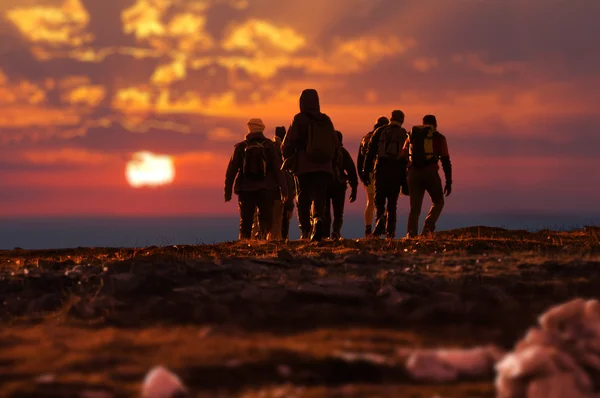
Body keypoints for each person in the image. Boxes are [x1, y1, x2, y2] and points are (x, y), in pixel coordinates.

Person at [282, 89, 340, 242]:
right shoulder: (326, 119)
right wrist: (333, 166)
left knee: (303, 197)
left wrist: (287, 156)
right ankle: (318, 219)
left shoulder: (299, 119)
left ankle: (306, 230)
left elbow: (289, 142)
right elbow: (335, 144)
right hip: (324, 166)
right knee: (320, 195)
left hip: (304, 165)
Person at [224, 118, 288, 240]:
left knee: (246, 221)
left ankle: (244, 243)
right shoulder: (269, 145)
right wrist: (284, 190)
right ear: (262, 129)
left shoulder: (240, 147)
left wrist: (227, 192)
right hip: (265, 188)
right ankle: (262, 240)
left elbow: (231, 171)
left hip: (245, 189)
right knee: (265, 218)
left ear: (249, 129)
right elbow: (278, 169)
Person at [401, 114, 452, 237]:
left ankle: (411, 235)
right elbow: (445, 160)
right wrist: (448, 181)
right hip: (430, 173)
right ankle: (426, 231)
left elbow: (403, 155)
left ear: (422, 123)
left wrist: (404, 178)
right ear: (436, 124)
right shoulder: (439, 137)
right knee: (438, 202)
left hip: (413, 173)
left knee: (414, 208)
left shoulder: (411, 135)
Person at [362, 110, 408, 239]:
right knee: (392, 203)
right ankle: (390, 234)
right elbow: (406, 158)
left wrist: (366, 172)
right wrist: (405, 180)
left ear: (391, 118)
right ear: (402, 120)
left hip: (381, 168)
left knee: (379, 199)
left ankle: (380, 219)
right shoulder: (404, 134)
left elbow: (370, 153)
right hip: (397, 170)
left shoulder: (380, 131)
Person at [357, 116, 389, 237]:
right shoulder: (387, 137)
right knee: (384, 201)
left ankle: (368, 229)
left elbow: (360, 160)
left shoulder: (366, 138)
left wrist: (362, 175)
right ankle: (382, 226)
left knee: (370, 201)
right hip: (384, 172)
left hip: (369, 173)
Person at [324, 130, 358, 240]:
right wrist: (354, 189)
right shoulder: (343, 152)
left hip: (325, 186)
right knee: (338, 213)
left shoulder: (324, 152)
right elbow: (352, 171)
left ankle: (325, 235)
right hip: (339, 186)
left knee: (325, 213)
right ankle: (336, 232)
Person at [275, 126, 296, 240]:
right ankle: (283, 238)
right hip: (287, 187)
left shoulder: (270, 147)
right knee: (285, 216)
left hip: (273, 189)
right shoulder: (288, 150)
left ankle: (272, 238)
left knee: (275, 217)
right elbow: (288, 177)